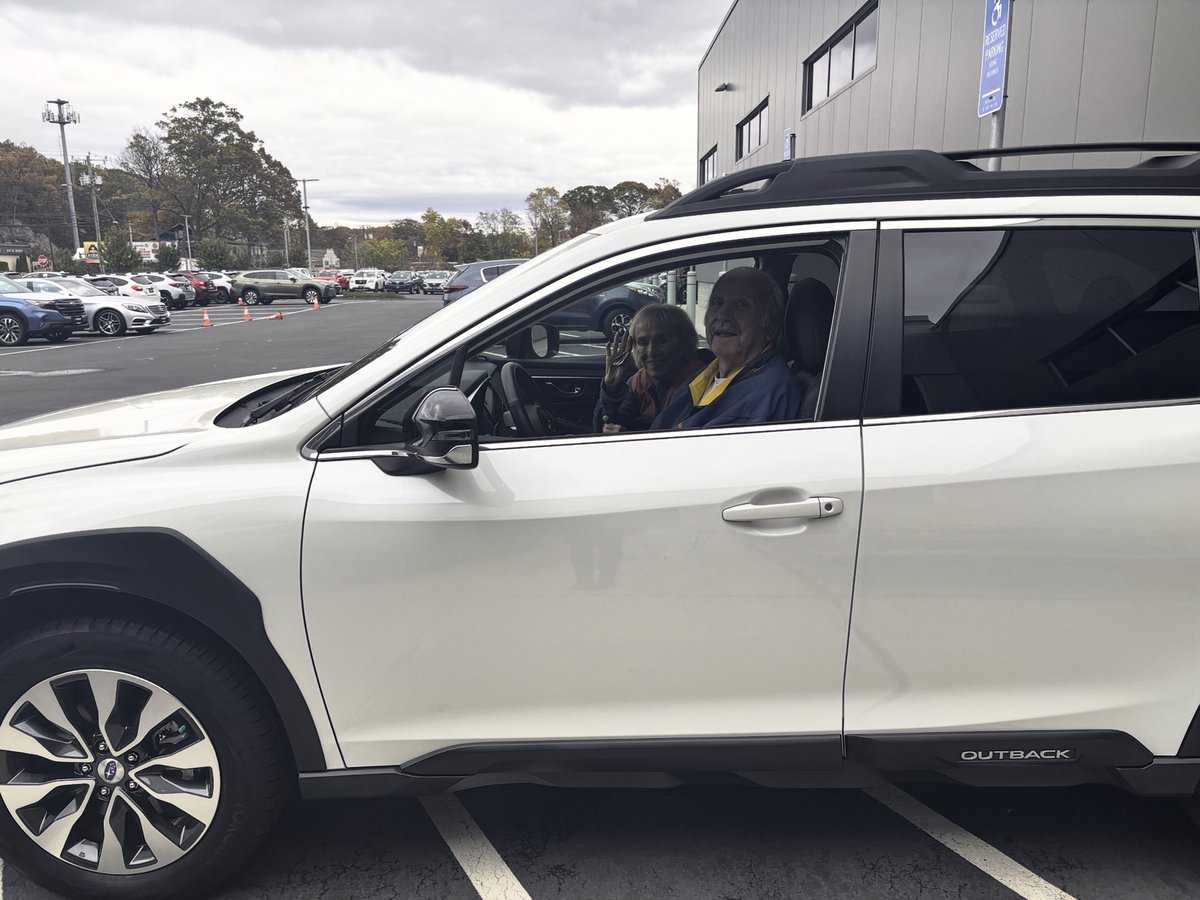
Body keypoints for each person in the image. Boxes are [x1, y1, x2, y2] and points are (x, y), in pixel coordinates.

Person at [651, 266, 800, 430]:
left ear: (770, 324)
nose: (722, 315)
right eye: (717, 303)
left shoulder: (766, 392)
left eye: (741, 304)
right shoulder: (709, 372)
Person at [594, 303, 708, 432]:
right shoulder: (641, 381)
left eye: (663, 341)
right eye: (643, 342)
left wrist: (631, 437)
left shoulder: (704, 383)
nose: (652, 351)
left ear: (684, 342)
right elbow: (602, 430)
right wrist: (611, 389)